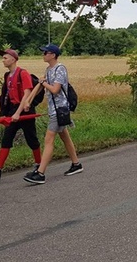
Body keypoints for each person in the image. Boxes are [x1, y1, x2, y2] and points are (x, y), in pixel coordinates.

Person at [23, 44, 83, 184]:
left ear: (53, 55)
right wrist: (28, 101)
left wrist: (43, 83)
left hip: (59, 110)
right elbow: (39, 85)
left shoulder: (60, 69)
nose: (43, 55)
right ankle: (76, 164)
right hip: (54, 109)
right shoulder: (49, 69)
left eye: (45, 52)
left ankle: (40, 173)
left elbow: (55, 89)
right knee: (65, 137)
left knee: (48, 140)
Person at [0, 49, 41, 180]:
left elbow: (27, 93)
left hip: (25, 110)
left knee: (32, 139)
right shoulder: (8, 76)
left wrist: (18, 113)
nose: (3, 60)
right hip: (13, 110)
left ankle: (39, 164)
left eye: (5, 58)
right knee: (6, 138)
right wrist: (5, 114)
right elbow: (6, 96)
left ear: (13, 59)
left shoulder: (23, 73)